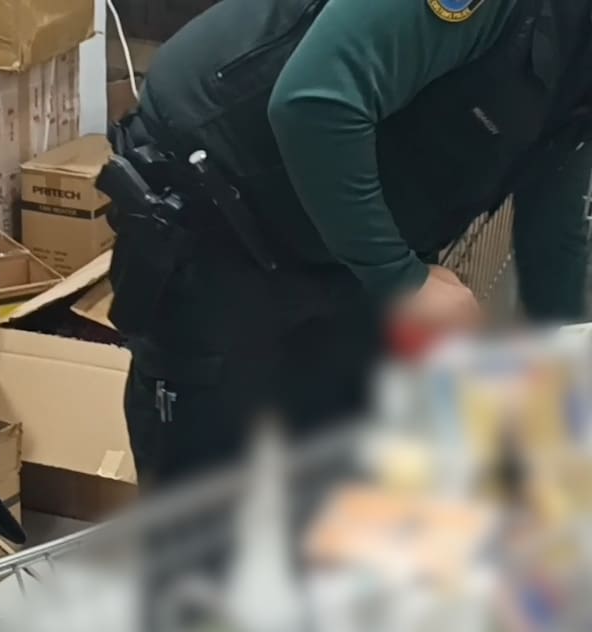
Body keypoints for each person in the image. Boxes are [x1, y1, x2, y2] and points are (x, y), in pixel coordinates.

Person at [102, 0, 592, 486]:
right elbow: (313, 102)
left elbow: (555, 201)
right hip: (226, 198)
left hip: (345, 227)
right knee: (210, 495)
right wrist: (401, 280)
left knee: (342, 473)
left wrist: (564, 382)